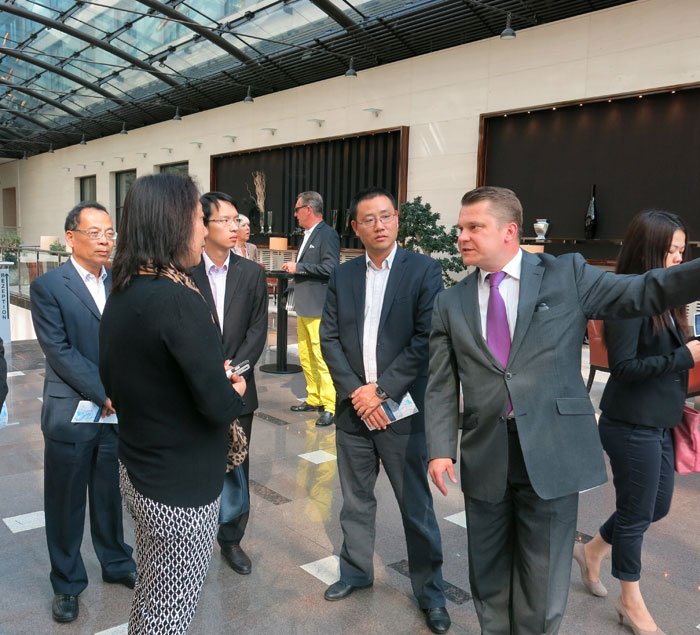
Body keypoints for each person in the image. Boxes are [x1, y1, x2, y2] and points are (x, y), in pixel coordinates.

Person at [425, 186, 700, 635]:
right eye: (461, 228)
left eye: (474, 227)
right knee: (488, 573)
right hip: (486, 450)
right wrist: (439, 448)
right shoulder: (449, 302)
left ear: (510, 231)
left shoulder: (566, 274)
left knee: (543, 575)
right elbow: (439, 383)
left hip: (553, 450)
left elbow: (646, 290)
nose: (462, 237)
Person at [99, 174, 246, 634]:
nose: (203, 230)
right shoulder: (179, 299)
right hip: (180, 488)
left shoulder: (123, 291)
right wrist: (234, 389)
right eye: (199, 219)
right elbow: (218, 405)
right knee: (171, 611)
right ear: (172, 224)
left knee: (152, 594)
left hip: (140, 468)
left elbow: (126, 378)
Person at [320, 187, 451, 634]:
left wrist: (381, 392)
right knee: (355, 501)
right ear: (355, 228)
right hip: (353, 410)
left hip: (403, 411)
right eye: (368, 219)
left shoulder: (424, 270)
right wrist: (358, 393)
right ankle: (356, 572)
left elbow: (425, 339)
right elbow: (329, 339)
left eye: (386, 216)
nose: (379, 225)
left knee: (415, 506)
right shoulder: (342, 276)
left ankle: (431, 593)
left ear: (397, 220)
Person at [572, 211, 699, 635]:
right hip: (630, 424)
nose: (679, 259)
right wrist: (685, 356)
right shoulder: (627, 298)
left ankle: (592, 550)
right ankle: (630, 601)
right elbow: (623, 367)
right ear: (648, 250)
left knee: (654, 507)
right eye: (672, 250)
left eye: (682, 251)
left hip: (660, 422)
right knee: (635, 514)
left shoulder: (666, 299)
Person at [30, 202, 136, 624]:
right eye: (95, 233)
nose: (105, 240)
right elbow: (58, 350)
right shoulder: (49, 286)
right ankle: (67, 582)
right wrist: (104, 391)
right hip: (71, 409)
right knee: (66, 500)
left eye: (110, 233)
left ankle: (116, 561)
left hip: (116, 411)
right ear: (71, 238)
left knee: (110, 493)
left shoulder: (123, 282)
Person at [192, 192, 268, 576]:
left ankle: (232, 538)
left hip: (239, 386)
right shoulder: (184, 272)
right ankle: (194, 534)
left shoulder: (251, 273)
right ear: (203, 226)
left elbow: (258, 330)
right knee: (197, 462)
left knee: (237, 464)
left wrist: (234, 371)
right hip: (195, 388)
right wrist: (209, 372)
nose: (235, 227)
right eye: (224, 220)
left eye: (236, 219)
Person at [281, 190, 340, 427]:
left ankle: (330, 405)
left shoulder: (327, 234)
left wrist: (299, 267)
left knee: (320, 355)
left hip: (318, 306)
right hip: (305, 305)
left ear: (308, 209)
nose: (295, 214)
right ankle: (314, 397)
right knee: (305, 354)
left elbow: (331, 268)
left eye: (297, 210)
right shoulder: (307, 234)